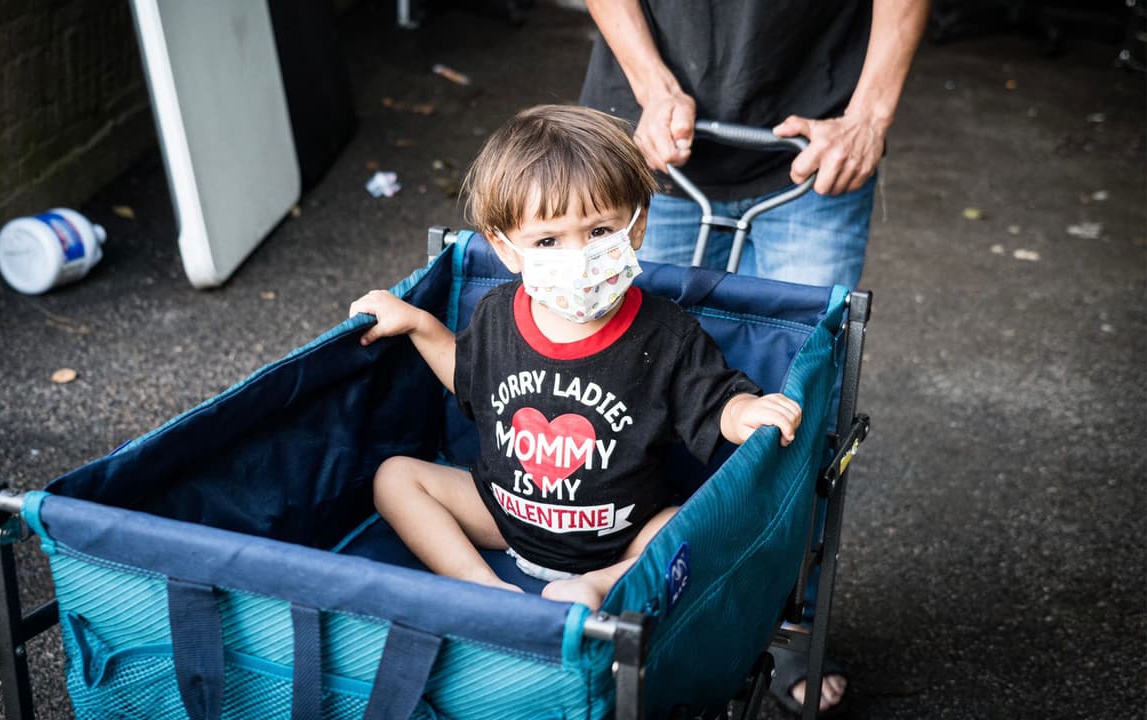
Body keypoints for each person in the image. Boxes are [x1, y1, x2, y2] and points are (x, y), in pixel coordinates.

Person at [579, 2, 930, 712]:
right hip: (654, 128)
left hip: (815, 136)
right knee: (618, 383)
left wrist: (870, 116)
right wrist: (651, 83)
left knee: (796, 419)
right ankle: (614, 609)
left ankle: (782, 626)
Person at [348, 105, 802, 611]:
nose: (578, 256)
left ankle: (602, 583)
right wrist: (419, 324)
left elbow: (715, 401)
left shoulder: (666, 333)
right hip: (501, 513)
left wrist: (747, 413)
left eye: (600, 232)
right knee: (395, 478)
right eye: (548, 240)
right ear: (506, 250)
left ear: (636, 226)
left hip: (624, 533)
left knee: (697, 524)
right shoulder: (498, 315)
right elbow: (470, 378)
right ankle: (478, 584)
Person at [579, 0, 931, 289]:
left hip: (816, 155)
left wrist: (868, 118)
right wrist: (655, 89)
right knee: (641, 360)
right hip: (653, 146)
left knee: (797, 363)